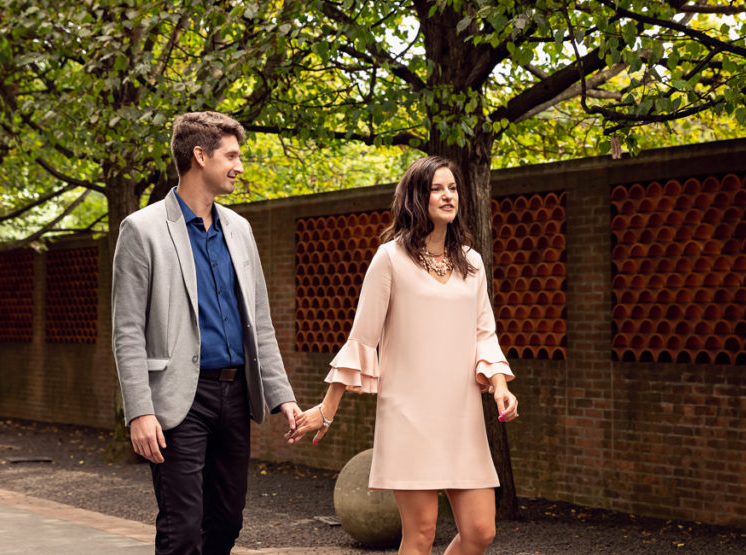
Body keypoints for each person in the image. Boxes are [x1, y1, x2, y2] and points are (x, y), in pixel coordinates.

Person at [287, 155, 518, 555]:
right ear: (417, 197)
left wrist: (499, 385)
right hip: (409, 415)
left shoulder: (472, 263)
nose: (448, 196)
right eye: (436, 189)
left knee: (481, 530)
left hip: (462, 414)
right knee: (422, 533)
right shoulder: (390, 259)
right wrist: (327, 408)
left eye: (453, 188)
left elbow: (485, 334)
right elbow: (362, 339)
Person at [112, 110, 301, 554]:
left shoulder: (240, 229)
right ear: (200, 156)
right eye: (231, 155)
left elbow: (260, 322)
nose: (239, 165)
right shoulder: (141, 229)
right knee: (181, 527)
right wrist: (140, 411)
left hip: (235, 397)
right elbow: (127, 331)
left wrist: (283, 395)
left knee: (227, 519)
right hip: (178, 400)